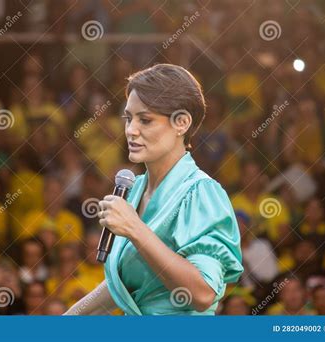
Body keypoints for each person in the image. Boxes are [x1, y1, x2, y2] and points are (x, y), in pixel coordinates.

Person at [65, 64, 243, 315]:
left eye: (145, 120)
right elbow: (123, 287)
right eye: (128, 118)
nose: (130, 130)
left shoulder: (201, 192)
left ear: (181, 123)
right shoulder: (134, 189)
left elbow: (203, 293)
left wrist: (135, 228)